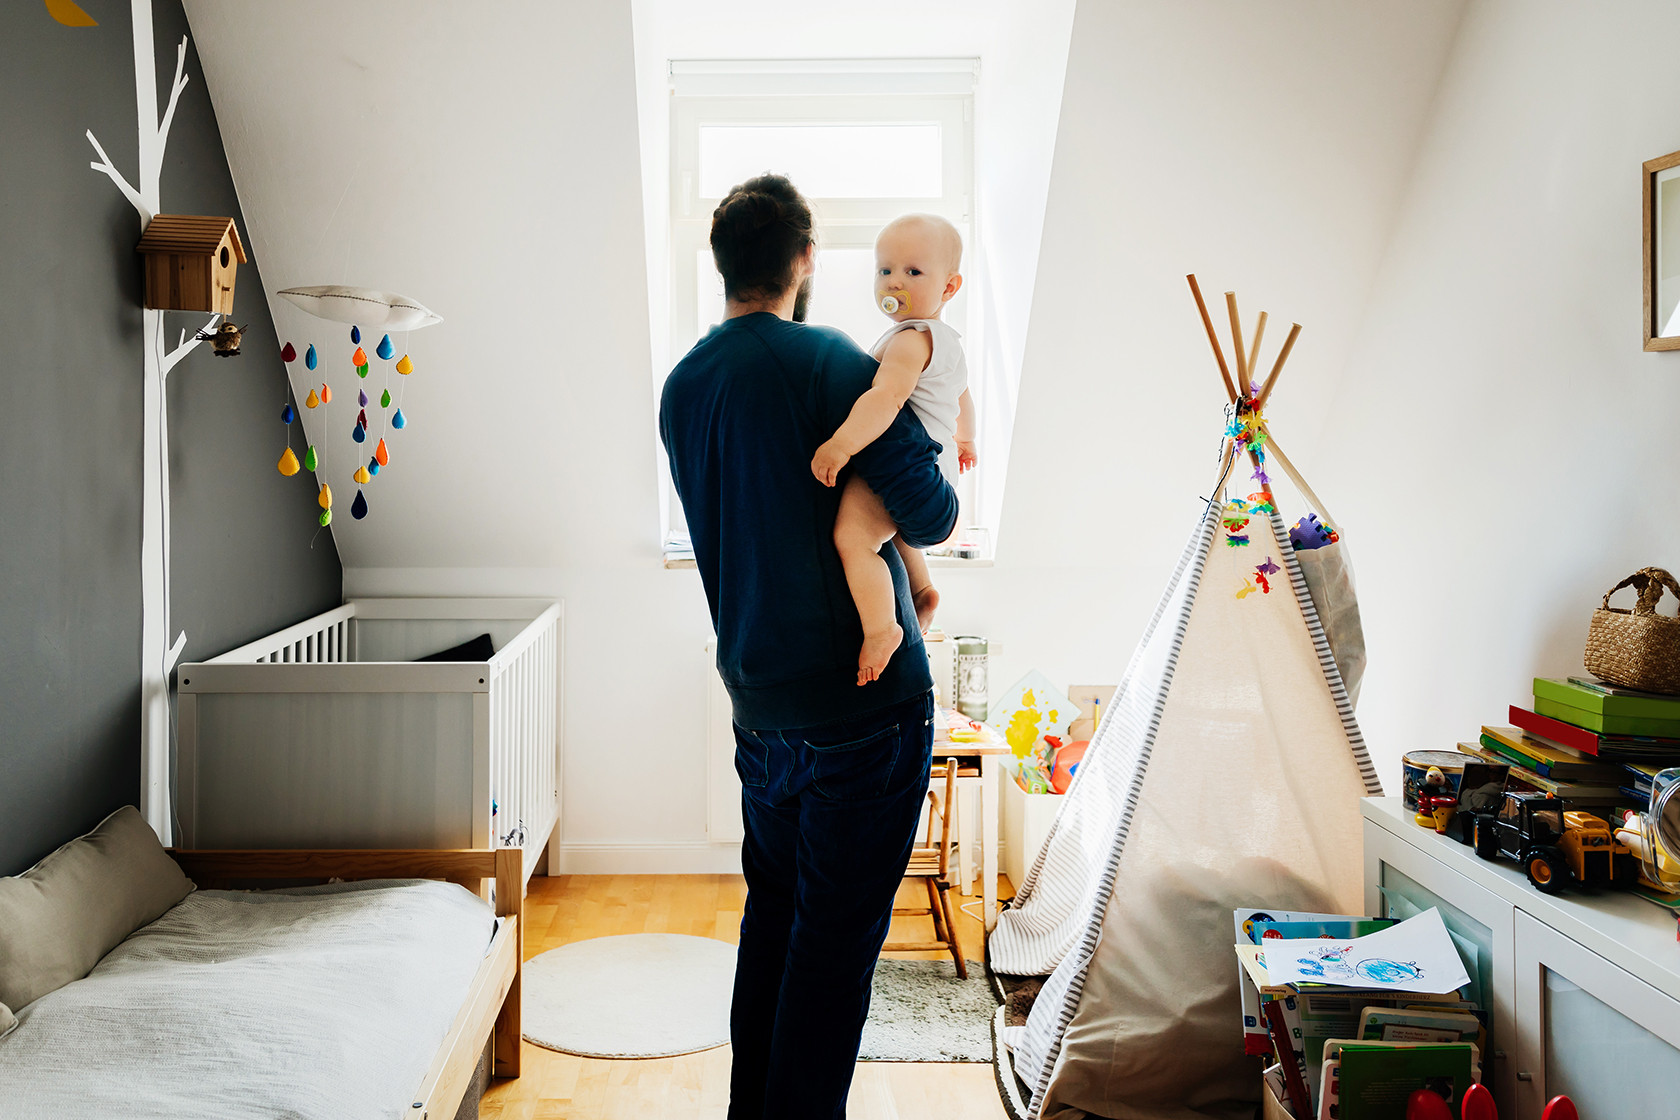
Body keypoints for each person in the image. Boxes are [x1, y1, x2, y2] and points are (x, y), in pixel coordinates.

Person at [659, 174, 959, 1120]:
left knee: (775, 927)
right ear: (805, 263)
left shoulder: (684, 388)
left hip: (761, 713)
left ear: (724, 267)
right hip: (864, 710)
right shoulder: (829, 358)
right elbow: (933, 511)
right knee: (832, 953)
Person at [810, 214, 976, 685]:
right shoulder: (948, 344)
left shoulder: (907, 341)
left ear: (949, 286)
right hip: (940, 477)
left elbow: (886, 399)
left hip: (917, 473)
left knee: (855, 539)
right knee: (893, 523)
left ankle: (882, 628)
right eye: (885, 271)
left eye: (913, 272)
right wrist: (966, 440)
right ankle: (922, 590)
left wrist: (841, 445)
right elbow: (962, 397)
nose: (895, 281)